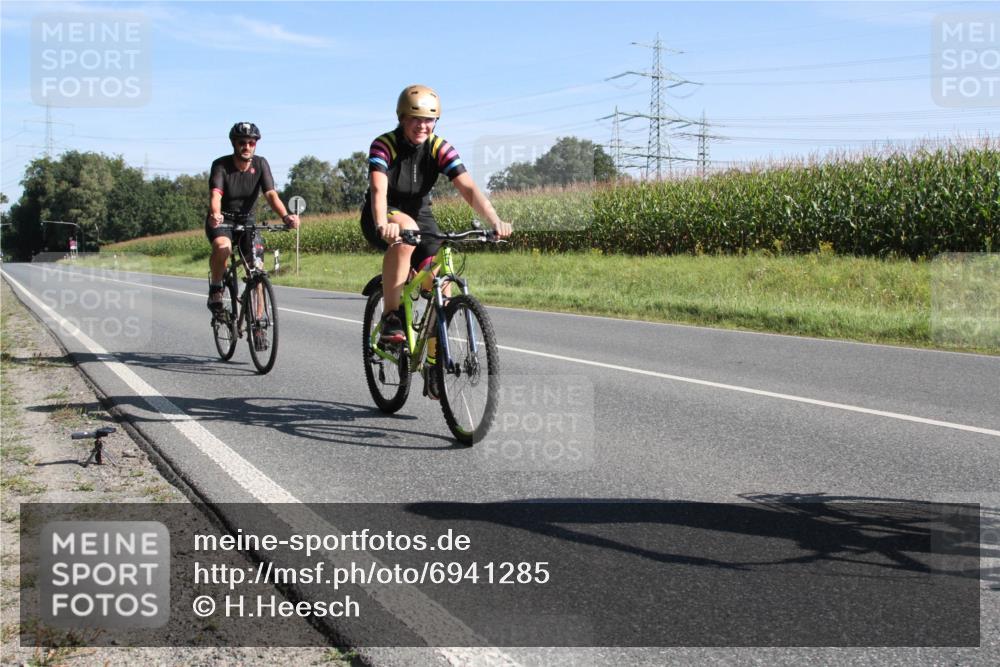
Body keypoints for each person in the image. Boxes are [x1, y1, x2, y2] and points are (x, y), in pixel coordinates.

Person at [361, 84, 512, 398]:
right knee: (405, 235)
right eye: (415, 119)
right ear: (402, 118)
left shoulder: (439, 147)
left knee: (441, 282)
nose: (422, 126)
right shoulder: (384, 145)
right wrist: (381, 224)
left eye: (429, 120)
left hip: (421, 216)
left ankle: (433, 364)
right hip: (385, 213)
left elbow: (468, 188)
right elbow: (378, 190)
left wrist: (494, 220)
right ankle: (392, 318)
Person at [206, 122, 300, 311]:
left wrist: (285, 216)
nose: (247, 146)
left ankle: (258, 325)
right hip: (223, 220)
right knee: (223, 247)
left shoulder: (260, 163)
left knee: (257, 269)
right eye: (242, 142)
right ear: (234, 143)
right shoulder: (221, 165)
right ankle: (216, 289)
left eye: (251, 143)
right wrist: (215, 213)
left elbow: (271, 195)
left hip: (247, 221)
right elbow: (215, 195)